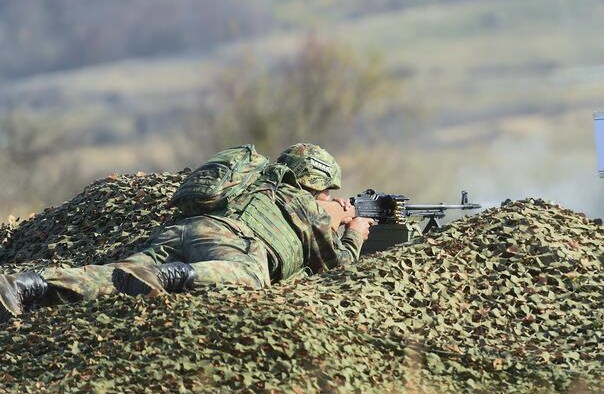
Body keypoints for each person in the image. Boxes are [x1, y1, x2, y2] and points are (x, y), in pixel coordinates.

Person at [0, 143, 375, 323]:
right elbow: (337, 268)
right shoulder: (305, 205)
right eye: (328, 191)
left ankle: (27, 286)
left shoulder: (254, 178)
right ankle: (168, 277)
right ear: (316, 183)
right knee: (250, 275)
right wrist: (354, 229)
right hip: (230, 244)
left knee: (113, 275)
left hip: (182, 231)